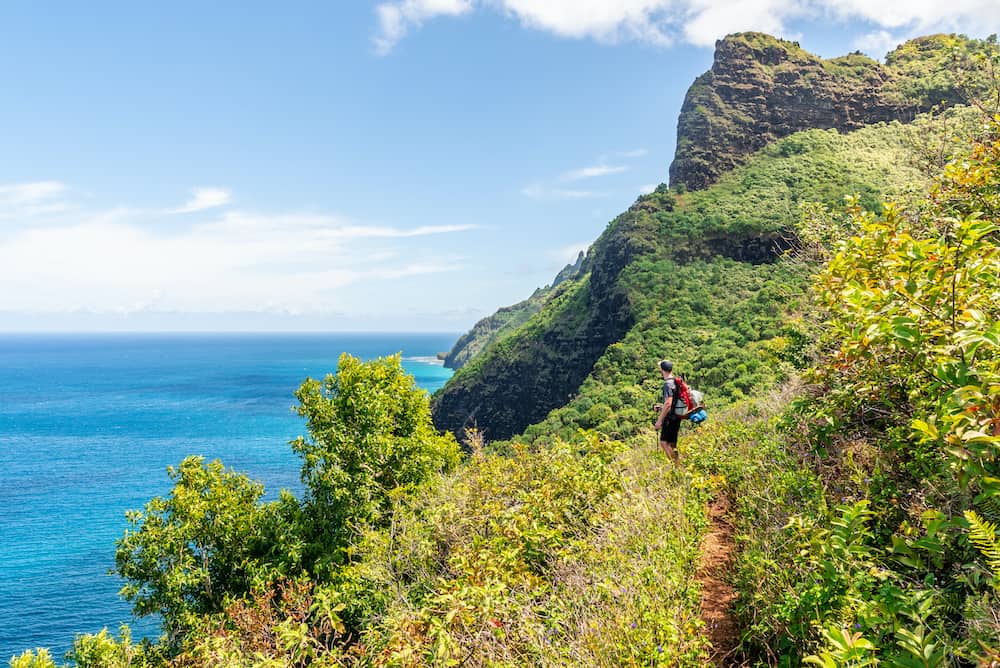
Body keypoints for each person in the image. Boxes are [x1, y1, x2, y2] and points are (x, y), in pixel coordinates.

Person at [654, 360, 683, 462]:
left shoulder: (667, 384)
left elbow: (669, 403)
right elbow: (674, 402)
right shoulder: (676, 381)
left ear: (662, 370)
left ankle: (676, 466)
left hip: (670, 418)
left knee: (664, 443)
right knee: (672, 443)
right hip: (677, 416)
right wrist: (662, 408)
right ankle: (678, 462)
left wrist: (659, 421)